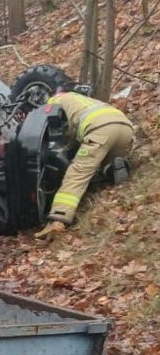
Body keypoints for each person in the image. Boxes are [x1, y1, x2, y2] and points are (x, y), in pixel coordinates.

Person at [34, 82, 134, 238]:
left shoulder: (54, 101)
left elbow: (60, 134)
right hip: (125, 127)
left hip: (100, 130)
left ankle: (59, 219)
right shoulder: (84, 100)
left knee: (78, 172)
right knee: (103, 159)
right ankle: (113, 166)